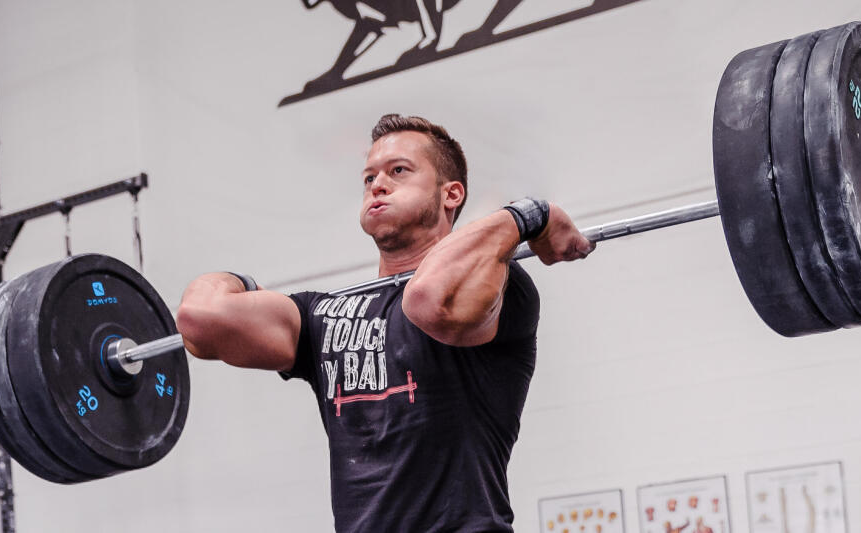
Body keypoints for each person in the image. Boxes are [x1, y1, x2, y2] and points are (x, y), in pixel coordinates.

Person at [174, 114, 595, 532]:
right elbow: (199, 319)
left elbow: (428, 301)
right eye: (369, 176)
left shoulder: (497, 285)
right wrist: (244, 285)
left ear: (451, 194)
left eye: (399, 171)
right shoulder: (322, 316)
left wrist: (527, 216)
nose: (377, 184)